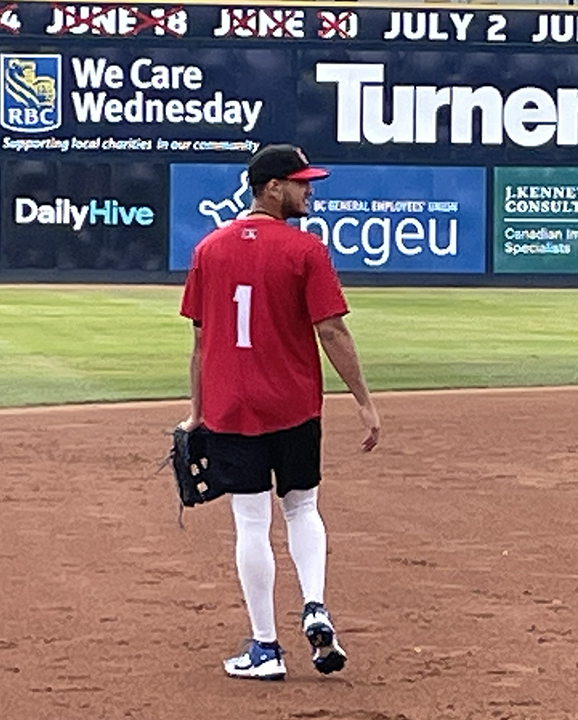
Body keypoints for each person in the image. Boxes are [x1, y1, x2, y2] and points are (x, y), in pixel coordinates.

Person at [178, 143, 381, 681]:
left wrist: (196, 413)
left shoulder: (208, 250)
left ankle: (264, 648)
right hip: (292, 405)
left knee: (250, 523)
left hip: (231, 408)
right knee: (301, 509)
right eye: (301, 182)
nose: (309, 191)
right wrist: (363, 400)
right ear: (273, 187)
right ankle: (314, 603)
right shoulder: (304, 251)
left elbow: (200, 342)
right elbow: (332, 330)